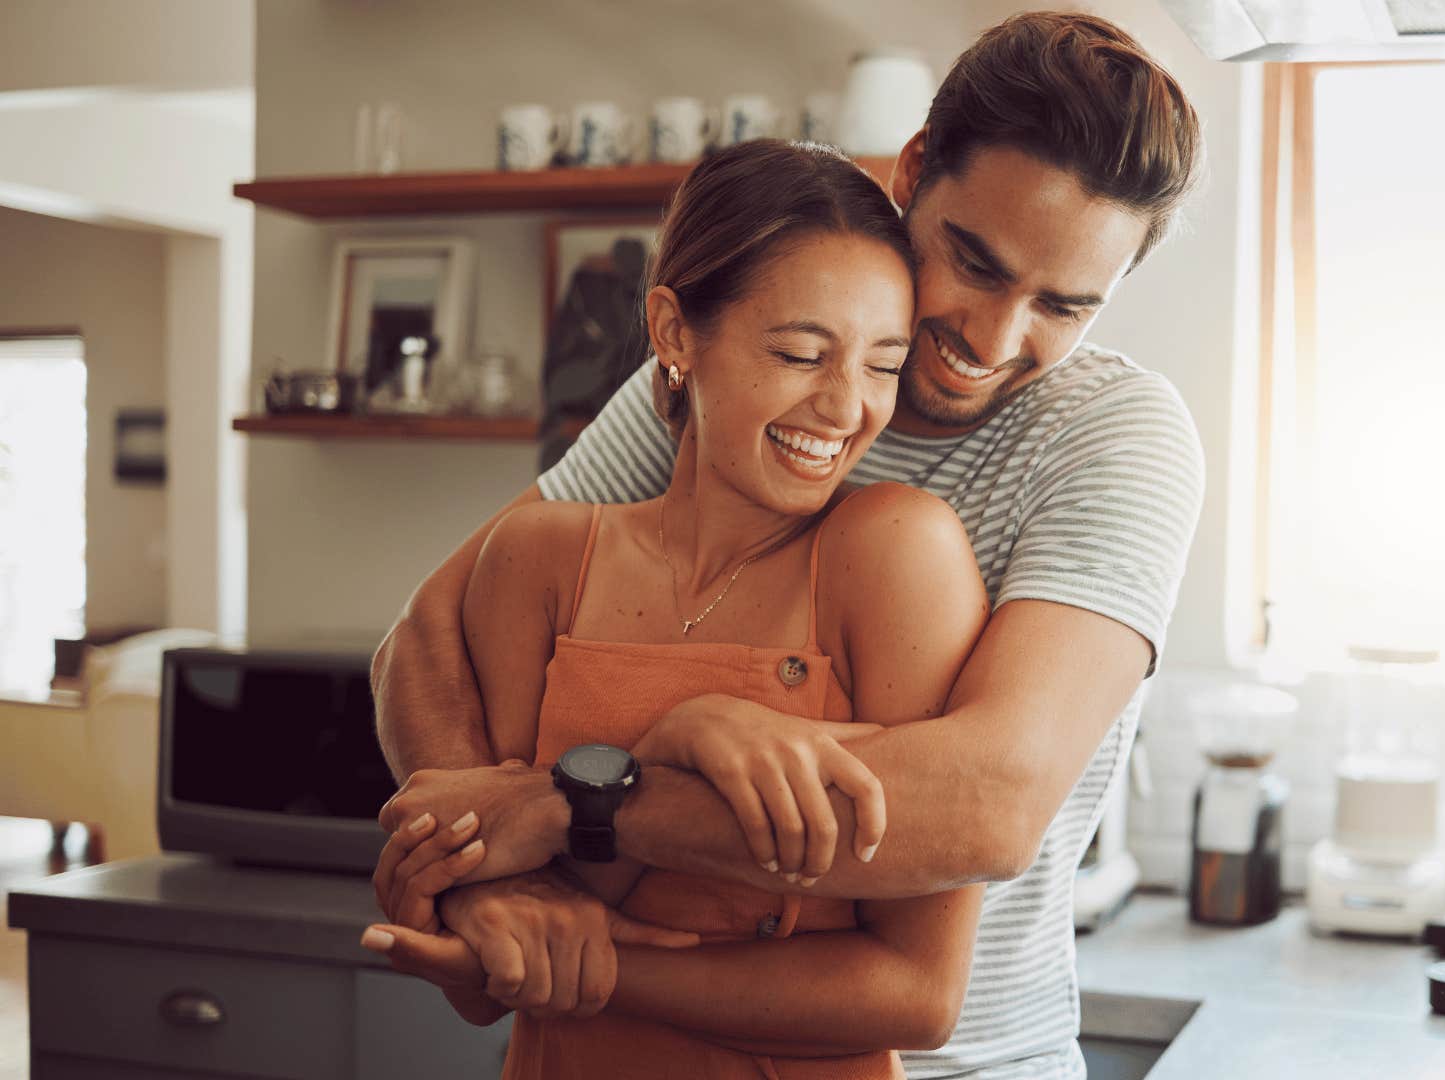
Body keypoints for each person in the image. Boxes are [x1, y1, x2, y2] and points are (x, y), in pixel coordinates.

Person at [367, 12, 1206, 1078]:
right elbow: (424, 638)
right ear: (914, 173)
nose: (994, 341)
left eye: (1064, 306)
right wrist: (489, 872)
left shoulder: (1113, 437)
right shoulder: (738, 374)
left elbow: (989, 801)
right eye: (976, 262)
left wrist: (572, 805)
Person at [370, 139, 991, 1077]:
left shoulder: (895, 553)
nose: (844, 407)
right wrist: (458, 900)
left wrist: (598, 957)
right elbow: (490, 974)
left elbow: (917, 994)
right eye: (799, 352)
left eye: (882, 365)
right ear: (673, 331)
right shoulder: (538, 561)